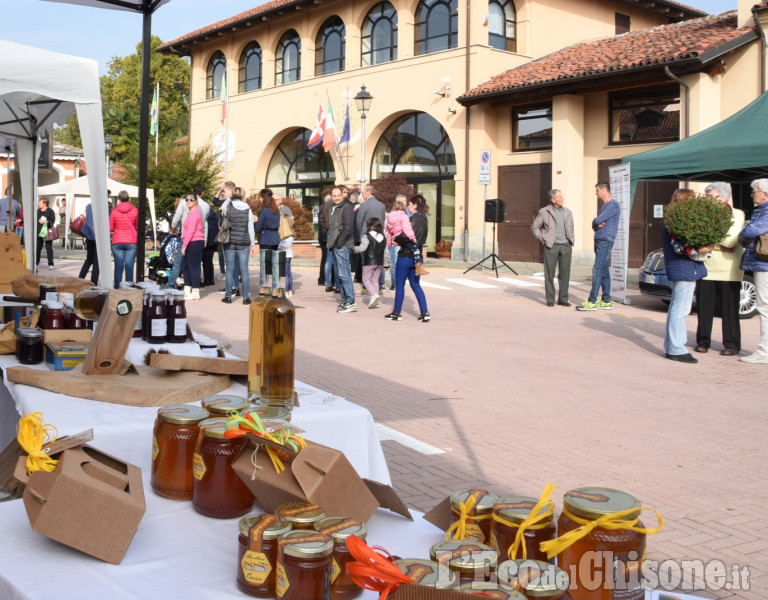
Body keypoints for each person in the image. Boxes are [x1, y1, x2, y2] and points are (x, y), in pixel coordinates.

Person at [662, 189, 713, 364]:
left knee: (677, 308)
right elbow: (679, 248)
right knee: (681, 309)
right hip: (683, 268)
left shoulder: (673, 221)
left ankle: (671, 347)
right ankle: (677, 348)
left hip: (683, 268)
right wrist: (702, 249)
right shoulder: (676, 223)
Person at [694, 182, 744, 356]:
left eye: (709, 196)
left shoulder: (737, 214)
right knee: (704, 308)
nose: (706, 200)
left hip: (729, 269)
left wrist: (710, 242)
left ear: (722, 198)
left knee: (729, 310)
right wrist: (715, 242)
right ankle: (703, 342)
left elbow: (731, 240)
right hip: (706, 267)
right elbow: (698, 237)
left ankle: (731, 344)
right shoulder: (703, 214)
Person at [577, 181, 621, 311]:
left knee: (597, 269)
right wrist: (597, 223)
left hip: (605, 240)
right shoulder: (605, 206)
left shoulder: (612, 205)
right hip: (600, 239)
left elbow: (597, 220)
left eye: (597, 190)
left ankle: (592, 300)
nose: (596, 193)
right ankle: (606, 300)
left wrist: (596, 222)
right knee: (604, 270)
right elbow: (596, 224)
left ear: (603, 190)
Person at [386, 194, 430, 322]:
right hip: (417, 257)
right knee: (416, 285)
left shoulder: (413, 219)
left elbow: (405, 234)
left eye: (410, 204)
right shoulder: (424, 219)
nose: (408, 207)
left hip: (405, 256)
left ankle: (397, 313)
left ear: (415, 205)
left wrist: (396, 241)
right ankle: (424, 312)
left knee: (400, 284)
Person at [738, 178, 768, 364]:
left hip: (764, 264)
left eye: (754, 191)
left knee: (764, 307)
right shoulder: (761, 211)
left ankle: (764, 352)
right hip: (762, 264)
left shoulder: (766, 211)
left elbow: (749, 232)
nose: (751, 194)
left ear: (765, 194)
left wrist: (745, 233)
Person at [531, 189, 575, 307]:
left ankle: (563, 299)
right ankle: (550, 299)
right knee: (549, 273)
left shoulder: (567, 211)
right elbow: (535, 227)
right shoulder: (544, 211)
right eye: (560, 197)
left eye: (562, 196)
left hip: (566, 245)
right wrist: (542, 239)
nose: (563, 199)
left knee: (565, 273)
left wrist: (571, 239)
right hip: (551, 245)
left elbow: (571, 227)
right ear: (553, 200)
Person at [220, 186, 256, 305]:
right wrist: (253, 244)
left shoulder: (228, 207)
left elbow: (222, 207)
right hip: (244, 242)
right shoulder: (248, 209)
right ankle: (246, 298)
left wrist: (229, 197)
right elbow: (251, 228)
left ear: (233, 195)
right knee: (244, 270)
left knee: (229, 269)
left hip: (230, 241)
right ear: (243, 195)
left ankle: (228, 296)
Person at [326, 185, 357, 313]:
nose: (337, 198)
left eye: (339, 195)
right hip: (336, 245)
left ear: (343, 195)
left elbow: (348, 228)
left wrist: (339, 243)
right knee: (340, 274)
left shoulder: (347, 207)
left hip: (343, 246)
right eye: (334, 196)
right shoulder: (333, 208)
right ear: (331, 197)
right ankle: (345, 301)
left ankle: (350, 301)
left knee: (344, 274)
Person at [355, 185, 388, 292]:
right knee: (379, 261)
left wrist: (360, 235)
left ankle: (367, 286)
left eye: (363, 192)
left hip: (367, 236)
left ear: (368, 192)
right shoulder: (381, 205)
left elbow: (359, 222)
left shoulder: (364, 205)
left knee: (367, 262)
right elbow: (382, 221)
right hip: (379, 236)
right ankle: (380, 284)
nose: (362, 194)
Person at [386, 195, 428, 276]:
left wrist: (389, 242)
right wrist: (412, 237)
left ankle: (393, 284)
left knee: (393, 264)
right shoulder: (406, 216)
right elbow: (407, 229)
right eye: (404, 203)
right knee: (415, 249)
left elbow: (388, 231)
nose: (407, 205)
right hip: (402, 244)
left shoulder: (390, 216)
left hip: (395, 239)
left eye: (407, 202)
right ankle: (418, 266)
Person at [353, 217, 389, 308]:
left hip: (369, 261)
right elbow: (386, 252)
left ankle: (374, 295)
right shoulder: (383, 237)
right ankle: (375, 302)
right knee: (375, 280)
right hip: (379, 262)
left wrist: (352, 248)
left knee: (365, 280)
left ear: (369, 225)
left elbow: (362, 248)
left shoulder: (367, 236)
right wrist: (387, 263)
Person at [214, 182, 240, 296]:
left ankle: (233, 288)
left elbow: (224, 208)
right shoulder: (237, 202)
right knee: (232, 263)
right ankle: (232, 287)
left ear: (230, 191)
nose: (223, 193)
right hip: (234, 235)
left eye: (224, 191)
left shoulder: (232, 202)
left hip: (230, 235)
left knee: (231, 263)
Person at [253, 188, 281, 293]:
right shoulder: (276, 210)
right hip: (275, 238)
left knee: (265, 265)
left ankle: (265, 287)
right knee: (274, 264)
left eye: (260, 197)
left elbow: (258, 228)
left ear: (263, 198)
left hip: (266, 238)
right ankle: (275, 287)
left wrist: (254, 222)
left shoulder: (264, 211)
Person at [109, 190, 138, 287]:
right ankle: (128, 289)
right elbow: (138, 226)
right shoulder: (135, 210)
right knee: (129, 267)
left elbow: (111, 228)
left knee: (118, 267)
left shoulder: (114, 211)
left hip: (117, 241)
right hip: (131, 241)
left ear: (119, 199)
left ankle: (117, 289)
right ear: (128, 198)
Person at [181, 194, 205, 300]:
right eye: (187, 199)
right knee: (185, 266)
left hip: (194, 241)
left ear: (196, 201)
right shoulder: (190, 213)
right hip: (190, 241)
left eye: (191, 199)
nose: (188, 201)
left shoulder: (195, 213)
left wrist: (184, 245)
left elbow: (191, 230)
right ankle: (187, 289)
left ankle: (195, 291)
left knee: (193, 267)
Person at [275, 192, 294, 296]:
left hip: (283, 251)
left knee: (284, 273)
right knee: (288, 272)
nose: (274, 201)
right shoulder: (290, 234)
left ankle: (285, 290)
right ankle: (289, 290)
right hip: (288, 252)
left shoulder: (286, 209)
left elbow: (292, 221)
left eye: (276, 199)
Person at [77, 202, 99, 284]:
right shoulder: (104, 207)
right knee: (96, 263)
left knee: (88, 260)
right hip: (99, 237)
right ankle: (93, 283)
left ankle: (80, 279)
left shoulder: (89, 206)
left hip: (89, 236)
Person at [35, 197, 56, 269]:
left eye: (40, 202)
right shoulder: (38, 211)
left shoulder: (50, 211)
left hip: (47, 233)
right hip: (39, 233)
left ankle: (51, 264)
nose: (39, 204)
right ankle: (36, 263)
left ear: (45, 204)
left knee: (49, 248)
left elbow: (52, 221)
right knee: (37, 249)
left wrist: (45, 222)